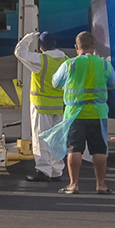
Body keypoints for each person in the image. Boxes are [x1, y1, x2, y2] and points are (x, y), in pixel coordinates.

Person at [51, 30, 115, 194]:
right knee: (99, 150)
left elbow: (55, 83)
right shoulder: (104, 64)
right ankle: (101, 185)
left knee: (74, 149)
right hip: (98, 113)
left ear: (76, 47)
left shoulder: (70, 64)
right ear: (94, 46)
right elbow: (113, 83)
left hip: (75, 113)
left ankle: (73, 184)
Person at [12, 29, 69, 182]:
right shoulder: (65, 60)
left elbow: (19, 52)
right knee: (57, 140)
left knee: (41, 139)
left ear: (41, 47)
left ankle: (44, 170)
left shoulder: (41, 60)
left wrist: (27, 38)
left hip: (42, 107)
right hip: (60, 106)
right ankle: (57, 171)